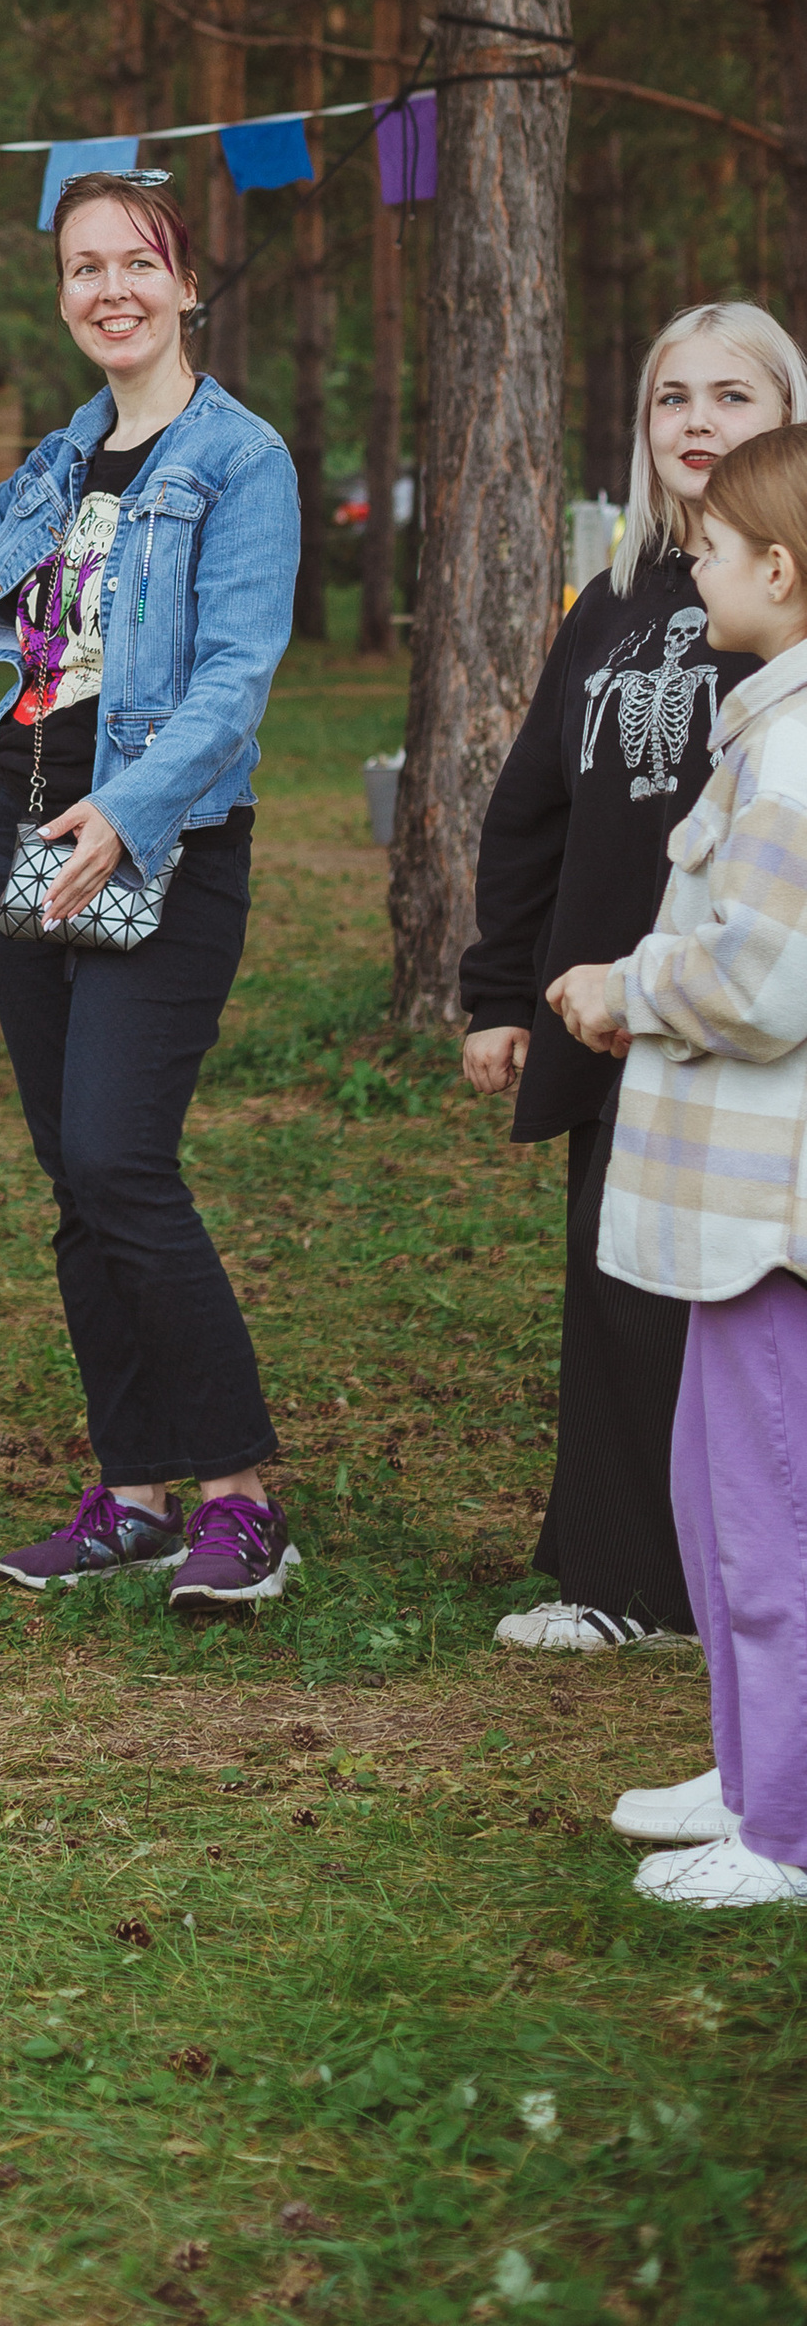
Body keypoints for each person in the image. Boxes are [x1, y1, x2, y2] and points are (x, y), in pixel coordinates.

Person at [0, 169, 301, 1615]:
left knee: (122, 1159)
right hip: (27, 828)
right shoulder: (67, 456)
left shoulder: (239, 461)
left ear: (184, 282)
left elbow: (234, 681)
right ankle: (133, 1492)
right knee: (76, 1180)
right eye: (82, 266)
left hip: (159, 842)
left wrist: (133, 808)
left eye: (136, 262)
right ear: (64, 296)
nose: (110, 286)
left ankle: (239, 1497)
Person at [461, 303, 807, 1653]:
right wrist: (500, 992)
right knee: (613, 1292)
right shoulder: (609, 601)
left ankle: (740, 1585)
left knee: (740, 1318)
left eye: (734, 396)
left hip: (739, 1016)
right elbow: (532, 807)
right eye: (675, 398)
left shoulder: (781, 606)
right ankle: (619, 1579)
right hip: (608, 1016)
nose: (700, 423)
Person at [549, 424, 807, 1909]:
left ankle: (785, 1828)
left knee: (771, 1518)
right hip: (726, 1218)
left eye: (708, 549)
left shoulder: (790, 757)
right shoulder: (762, 724)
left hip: (768, 1222)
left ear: (779, 569)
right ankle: (752, 1762)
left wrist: (620, 989)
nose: (685, 562)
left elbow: (763, 978)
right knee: (721, 1509)